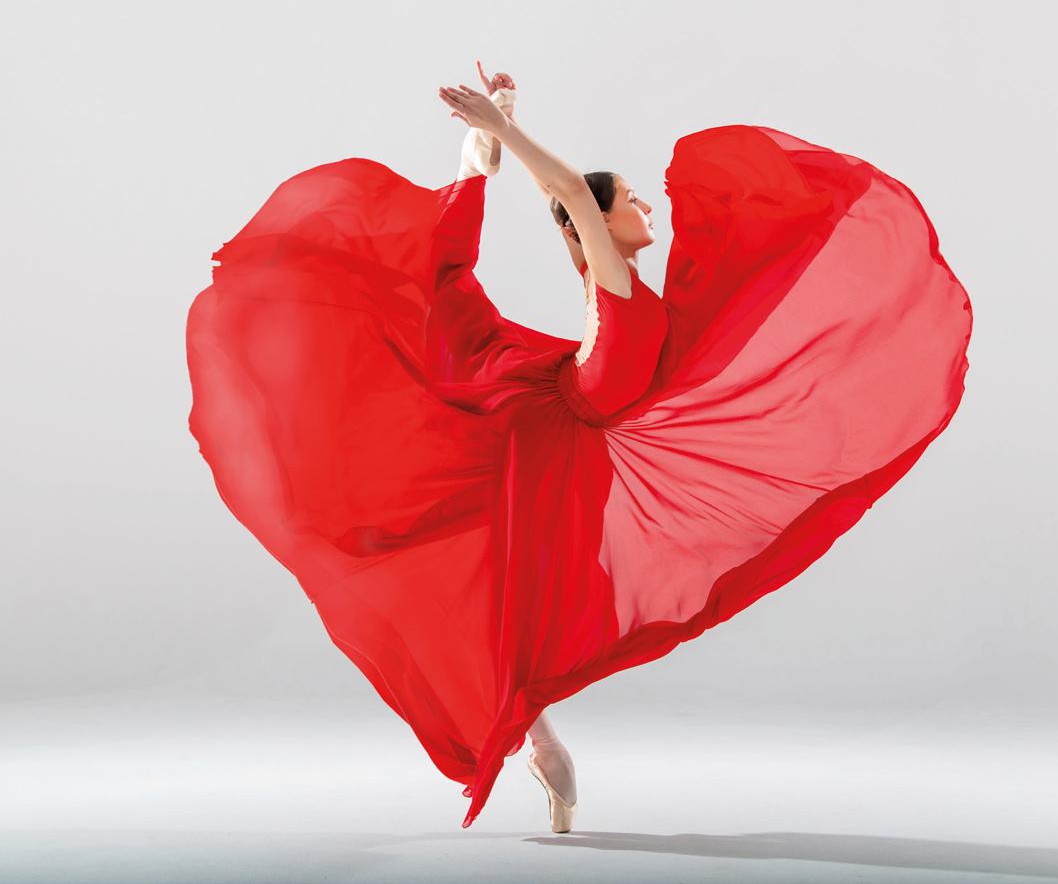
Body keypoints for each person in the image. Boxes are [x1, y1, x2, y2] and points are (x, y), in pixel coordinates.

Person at [186, 61, 973, 832]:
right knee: (500, 575)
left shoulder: (614, 274)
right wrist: (506, 130)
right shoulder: (612, 274)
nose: (647, 205)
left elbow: (564, 200)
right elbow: (566, 194)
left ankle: (542, 743)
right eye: (630, 198)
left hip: (568, 431)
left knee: (526, 597)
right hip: (544, 427)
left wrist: (506, 128)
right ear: (599, 221)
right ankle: (540, 741)